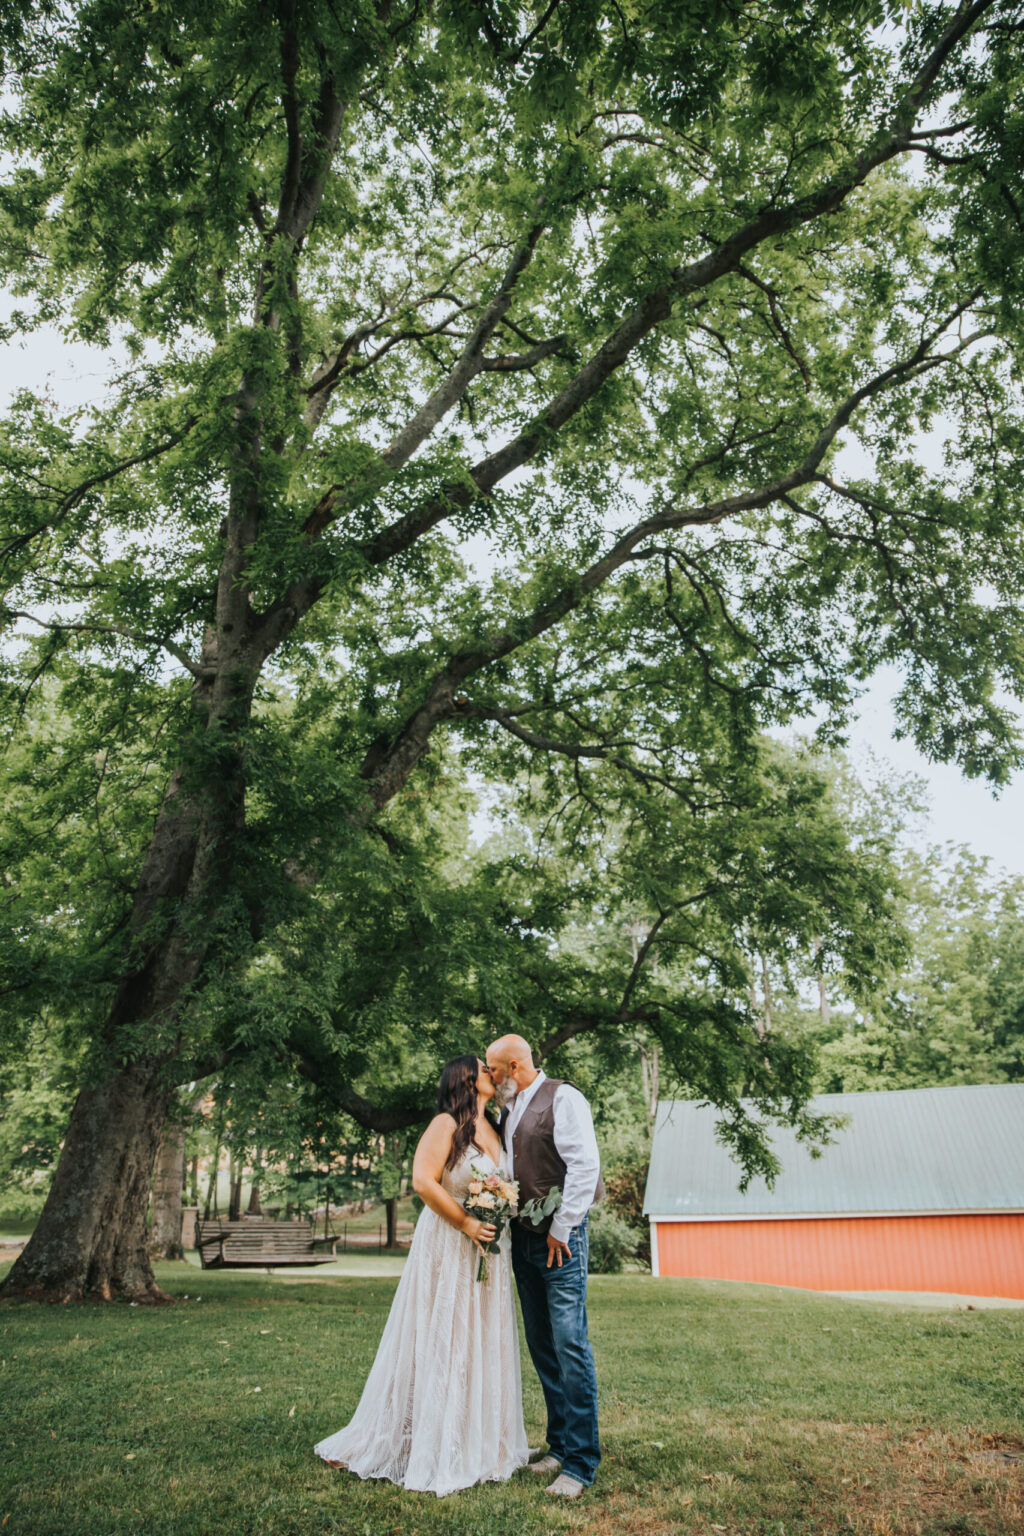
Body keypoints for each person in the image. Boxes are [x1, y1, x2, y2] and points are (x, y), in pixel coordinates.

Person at [313, 1055, 530, 1496]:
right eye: (485, 1069)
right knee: (444, 1337)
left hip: (488, 1253)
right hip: (449, 1246)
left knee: (480, 1340)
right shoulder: (444, 1124)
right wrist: (468, 1223)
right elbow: (423, 1181)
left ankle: (481, 1442)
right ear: (467, 1080)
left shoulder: (496, 1127)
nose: (493, 1073)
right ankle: (428, 1440)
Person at [485, 1034, 604, 1500]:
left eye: (493, 1070)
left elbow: (583, 1166)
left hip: (562, 1242)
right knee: (542, 1345)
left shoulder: (564, 1098)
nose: (490, 1079)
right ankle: (559, 1445)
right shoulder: (508, 1109)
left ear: (513, 1067)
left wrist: (562, 1227)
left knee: (570, 1343)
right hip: (524, 1242)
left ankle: (580, 1463)